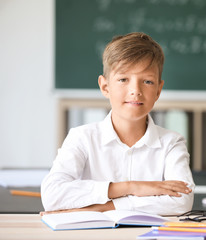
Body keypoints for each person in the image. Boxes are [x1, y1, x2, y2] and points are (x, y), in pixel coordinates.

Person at [41, 32, 194, 215]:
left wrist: (104, 207)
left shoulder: (172, 143)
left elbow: (182, 201)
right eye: (123, 80)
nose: (135, 91)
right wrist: (132, 187)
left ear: (158, 90)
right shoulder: (81, 137)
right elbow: (52, 195)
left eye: (147, 81)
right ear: (105, 87)